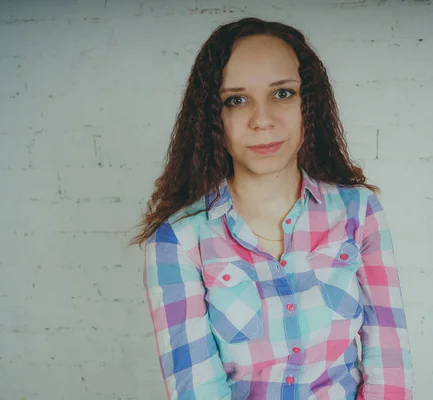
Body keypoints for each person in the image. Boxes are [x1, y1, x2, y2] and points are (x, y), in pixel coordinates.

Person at [130, 17, 413, 400]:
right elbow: (197, 390)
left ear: (308, 103)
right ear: (213, 117)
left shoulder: (358, 211)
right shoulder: (177, 240)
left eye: (282, 94)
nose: (262, 120)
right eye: (236, 99)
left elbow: (389, 366)